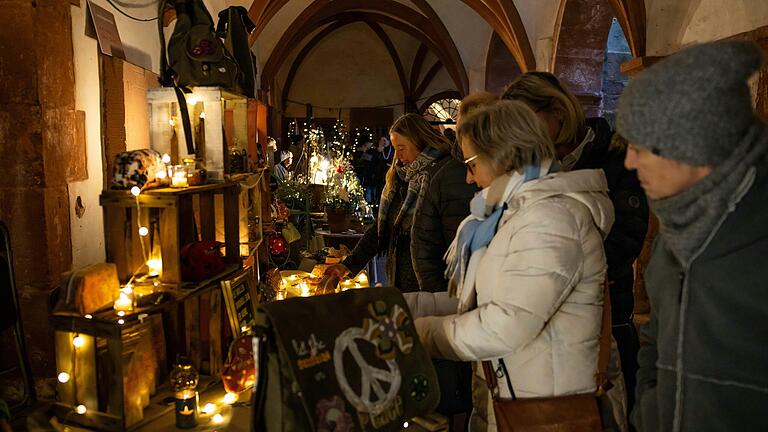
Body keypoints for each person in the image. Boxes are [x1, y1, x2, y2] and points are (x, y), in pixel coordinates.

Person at [413, 100, 624, 431]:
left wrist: (421, 332)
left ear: (502, 157)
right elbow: (486, 300)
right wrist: (401, 305)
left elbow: (504, 325)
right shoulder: (508, 216)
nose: (468, 178)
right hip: (514, 399)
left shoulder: (551, 219)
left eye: (471, 163)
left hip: (548, 410)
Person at [616, 41, 768, 431]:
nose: (629, 162)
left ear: (691, 145)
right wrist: (648, 410)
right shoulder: (677, 228)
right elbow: (654, 339)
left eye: (639, 147)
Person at [503, 72, 648, 413]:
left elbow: (628, 238)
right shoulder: (530, 166)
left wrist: (557, 268)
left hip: (603, 319)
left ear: (557, 110)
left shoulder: (615, 158)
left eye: (527, 121)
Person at [325, 113, 476, 423]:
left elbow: (457, 244)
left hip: (433, 288)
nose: (396, 155)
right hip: (405, 285)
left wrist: (448, 289)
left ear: (422, 142)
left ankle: (447, 421)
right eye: (393, 148)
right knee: (411, 362)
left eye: (402, 147)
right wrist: (347, 265)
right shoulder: (402, 177)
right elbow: (382, 231)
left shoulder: (447, 175)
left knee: (439, 369)